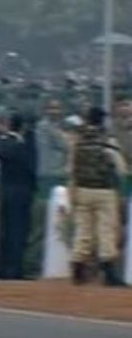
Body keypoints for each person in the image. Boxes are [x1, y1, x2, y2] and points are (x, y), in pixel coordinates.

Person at [68, 106, 127, 286]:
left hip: (82, 189)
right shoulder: (107, 140)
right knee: (106, 230)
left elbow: (71, 167)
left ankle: (78, 268)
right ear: (102, 120)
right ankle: (109, 271)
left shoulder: (78, 140)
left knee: (83, 230)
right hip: (104, 190)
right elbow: (121, 168)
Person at [0, 113, 37, 280]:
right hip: (21, 190)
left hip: (6, 190)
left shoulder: (4, 142)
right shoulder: (21, 144)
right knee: (18, 231)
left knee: (6, 229)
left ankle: (1, 267)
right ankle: (14, 268)